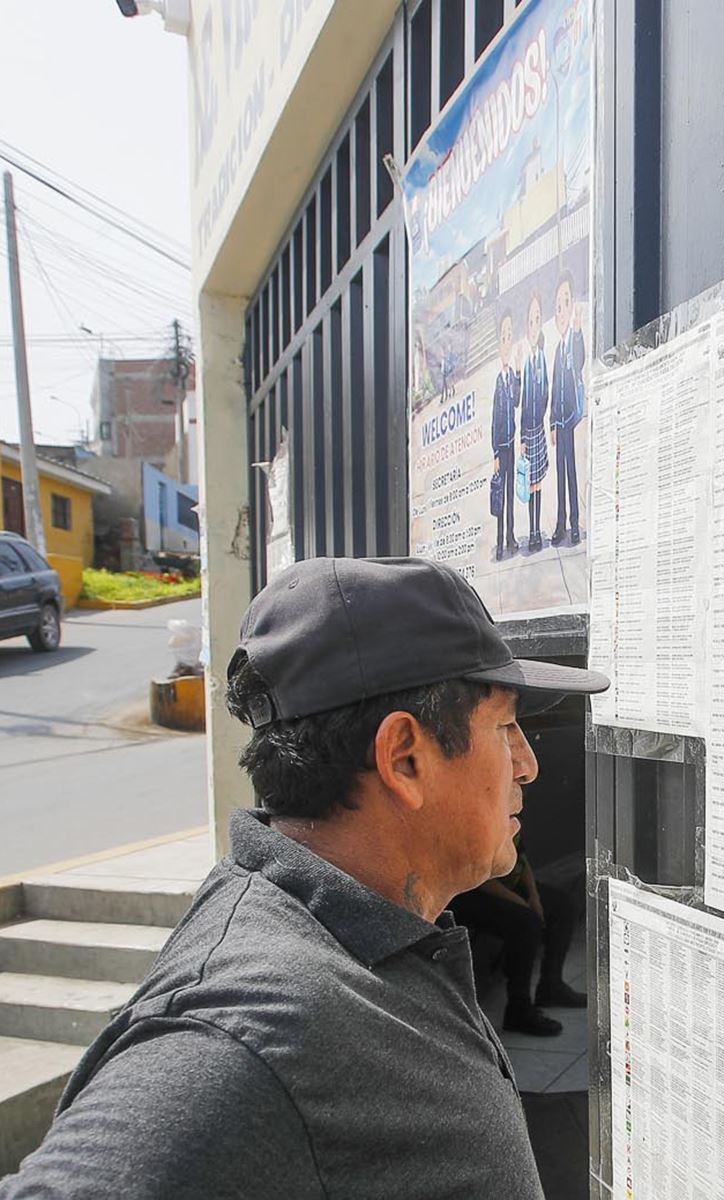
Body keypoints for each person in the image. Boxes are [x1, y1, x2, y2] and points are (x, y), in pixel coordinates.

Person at [0, 557, 610, 1198]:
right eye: (506, 726)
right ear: (404, 757)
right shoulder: (249, 1026)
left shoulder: (367, 933)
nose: (528, 764)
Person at [449, 838, 584, 1036]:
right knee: (526, 923)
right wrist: (520, 902)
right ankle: (518, 1009)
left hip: (508, 886)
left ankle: (551, 986)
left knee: (563, 905)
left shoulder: (510, 823)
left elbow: (521, 858)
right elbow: (477, 876)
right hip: (469, 892)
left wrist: (533, 896)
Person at [548, 272, 586, 548]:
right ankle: (560, 524)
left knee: (571, 473)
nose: (561, 311)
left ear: (572, 305)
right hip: (559, 424)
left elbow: (580, 361)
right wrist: (551, 423)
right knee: (560, 475)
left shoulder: (572, 343)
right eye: (558, 307)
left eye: (566, 303)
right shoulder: (557, 352)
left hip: (570, 420)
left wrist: (578, 331)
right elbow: (553, 391)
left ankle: (574, 523)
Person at [519, 292, 551, 555]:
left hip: (538, 429)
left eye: (537, 320)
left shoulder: (540, 359)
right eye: (530, 321)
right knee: (530, 484)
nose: (533, 326)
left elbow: (545, 393)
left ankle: (536, 531)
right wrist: (522, 438)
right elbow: (522, 403)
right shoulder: (527, 364)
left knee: (537, 482)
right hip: (528, 432)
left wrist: (541, 420)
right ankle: (532, 531)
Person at [491, 310, 522, 561]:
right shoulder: (498, 382)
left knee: (510, 494)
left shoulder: (511, 377)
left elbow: (517, 402)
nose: (507, 343)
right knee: (500, 496)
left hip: (512, 445)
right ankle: (500, 541)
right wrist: (494, 453)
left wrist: (519, 372)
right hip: (501, 448)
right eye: (503, 338)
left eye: (509, 337)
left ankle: (511, 537)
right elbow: (495, 420)